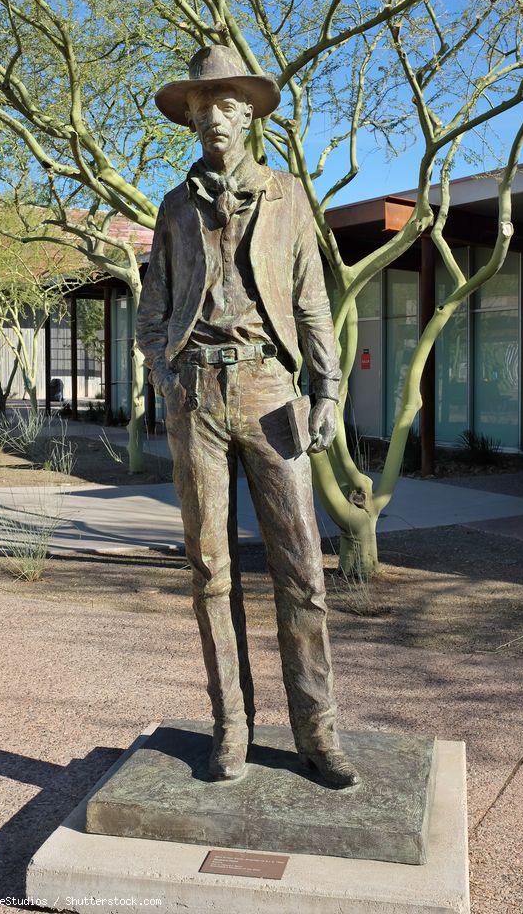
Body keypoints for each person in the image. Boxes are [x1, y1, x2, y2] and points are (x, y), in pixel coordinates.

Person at [136, 45, 359, 788]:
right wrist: (165, 376)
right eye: (201, 114)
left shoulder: (289, 197)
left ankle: (316, 732)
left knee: (301, 571)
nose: (213, 123)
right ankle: (230, 727)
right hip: (194, 396)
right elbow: (152, 311)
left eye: (226, 109)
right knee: (209, 570)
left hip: (270, 394)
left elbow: (312, 302)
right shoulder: (174, 206)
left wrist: (325, 391)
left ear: (249, 116)